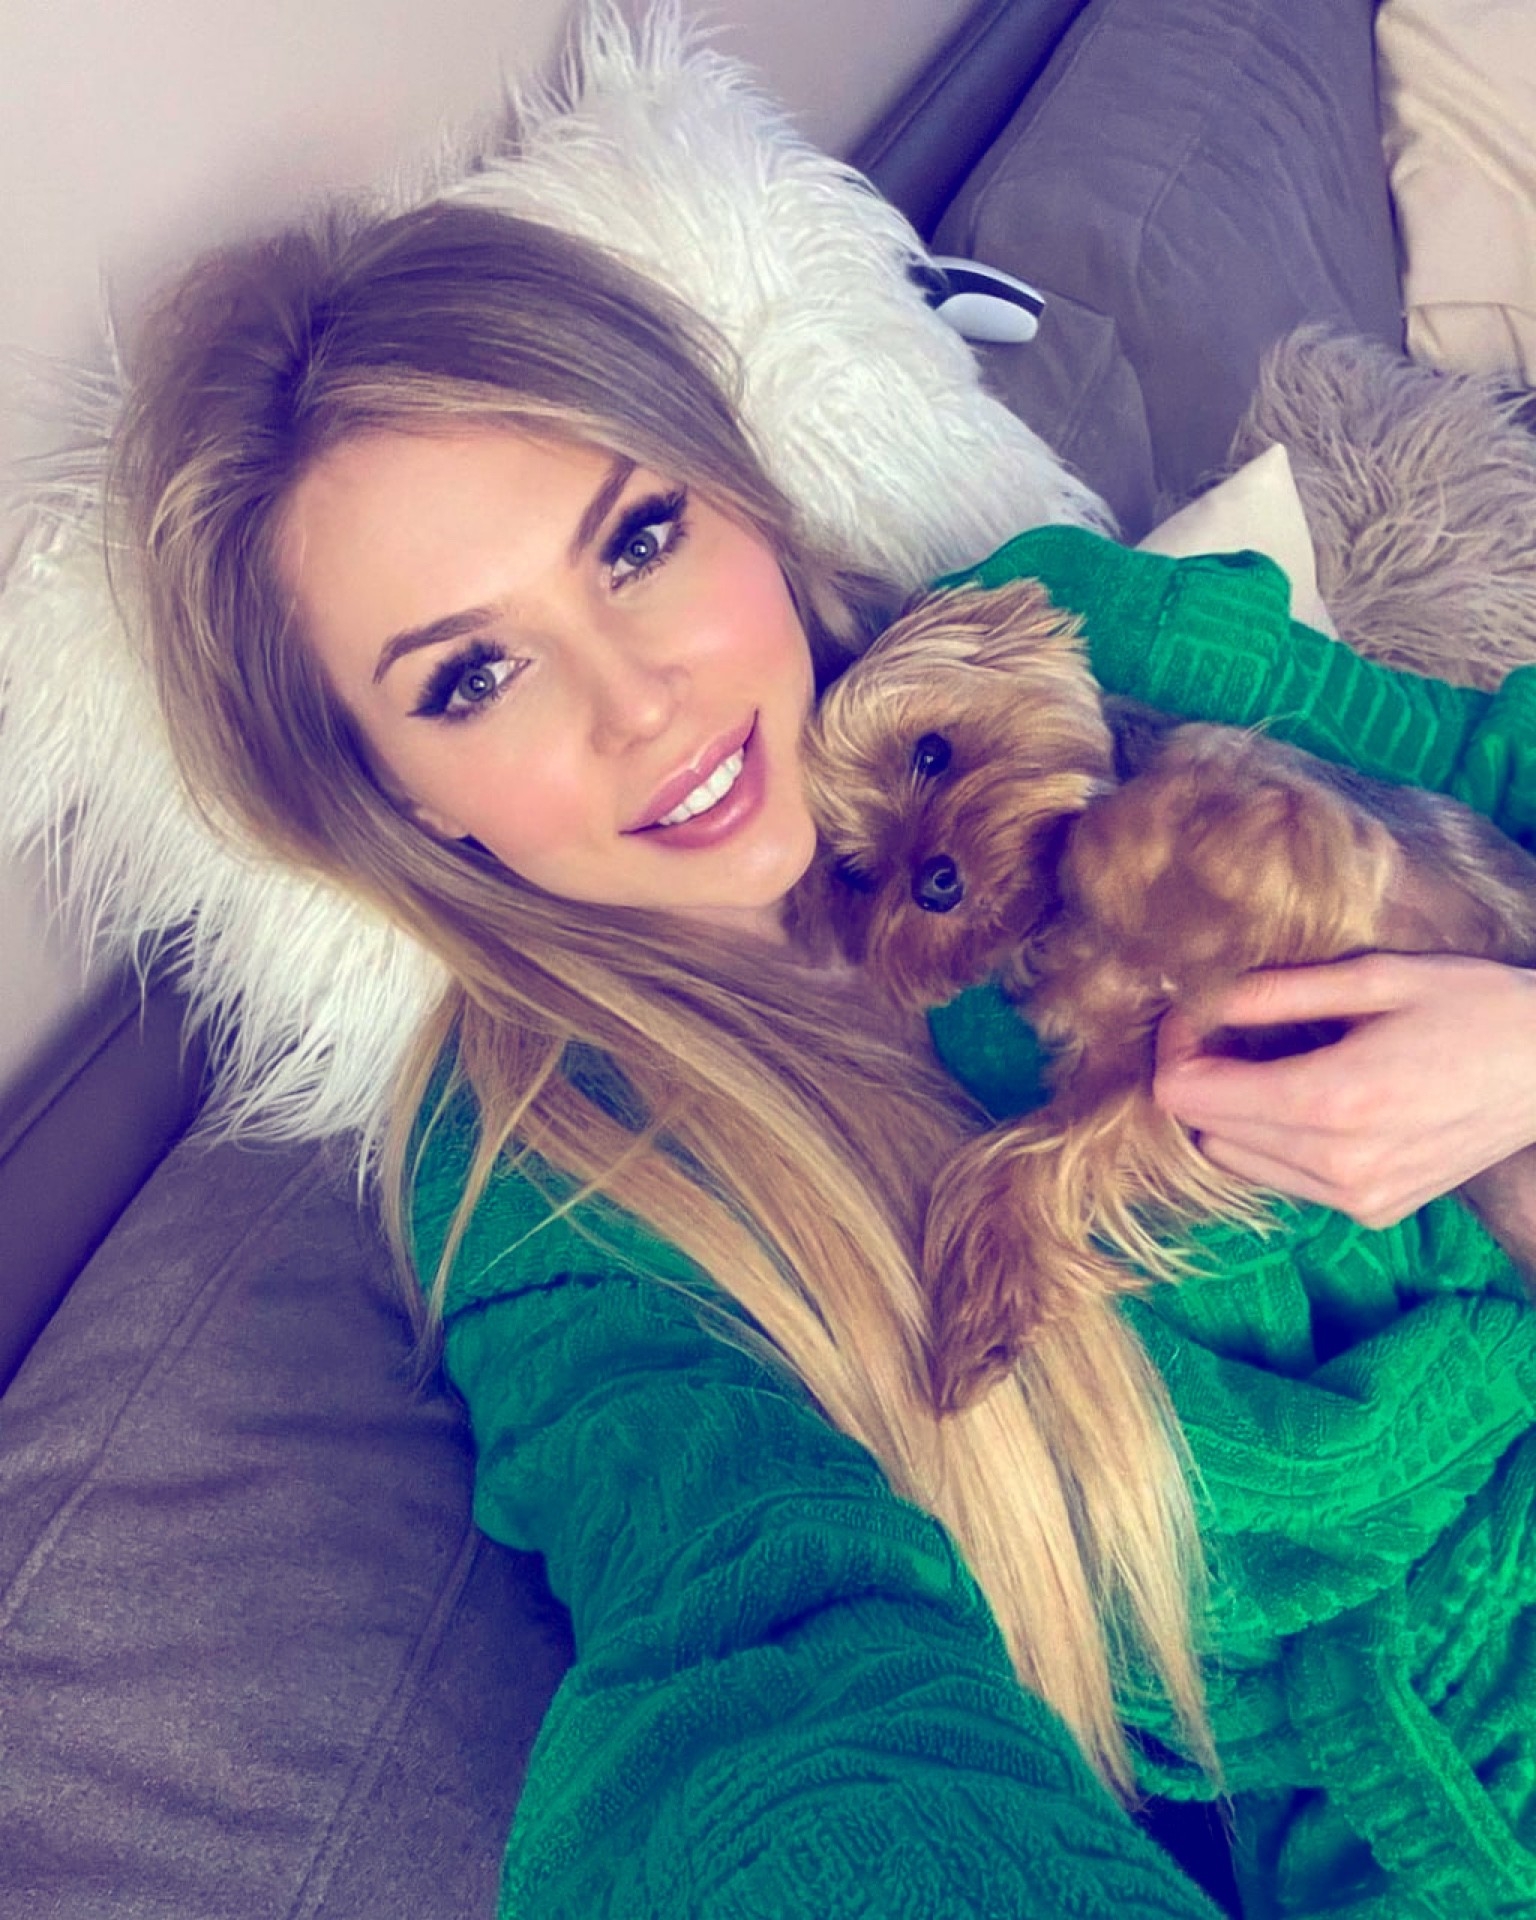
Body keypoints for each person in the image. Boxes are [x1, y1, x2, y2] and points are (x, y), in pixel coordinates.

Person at [112, 198, 1536, 1917]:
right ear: (398, 798)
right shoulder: (551, 1171)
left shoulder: (1069, 636)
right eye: (475, 676)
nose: (639, 700)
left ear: (748, 506)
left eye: (638, 540)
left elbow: (1503, 763)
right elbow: (755, 1675)